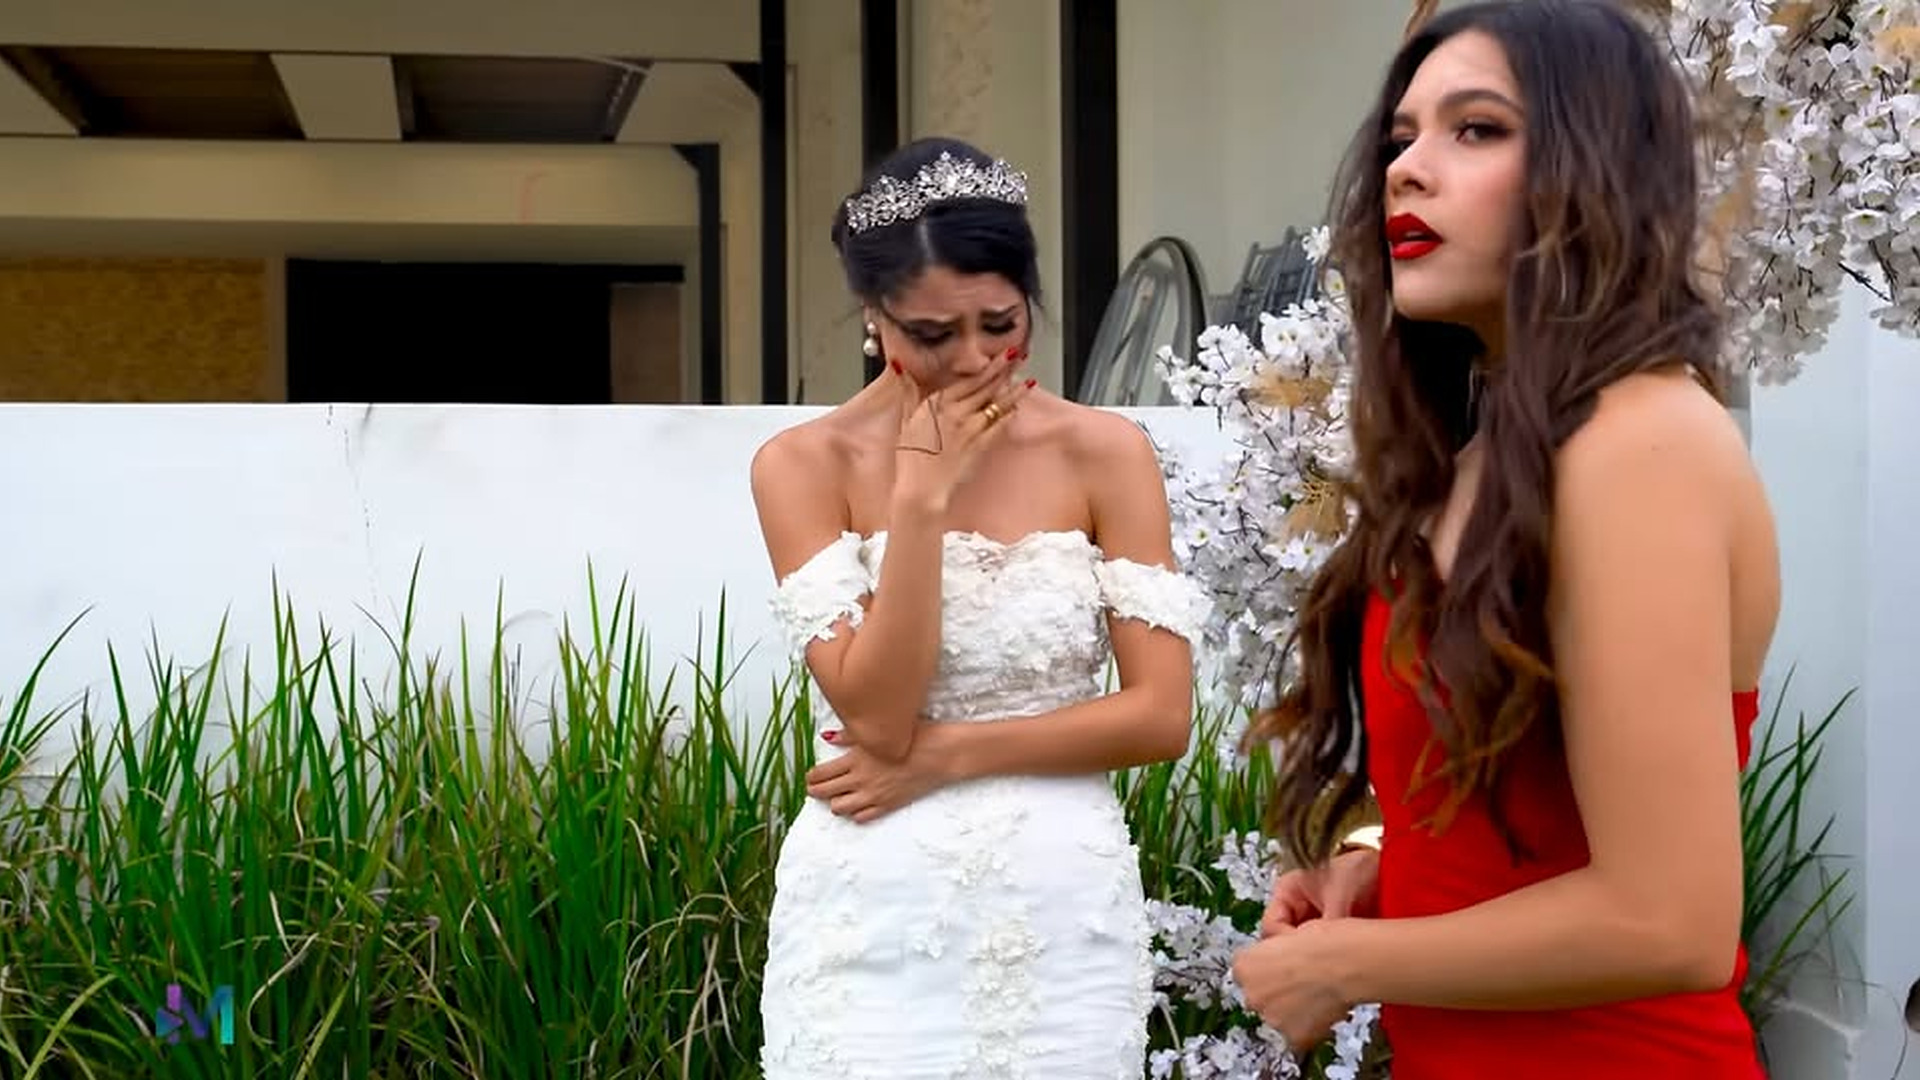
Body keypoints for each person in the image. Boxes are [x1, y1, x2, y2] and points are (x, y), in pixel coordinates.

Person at [1228, 2, 1781, 1077]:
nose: (1406, 169)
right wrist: (1377, 862)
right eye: (1401, 138)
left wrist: (1348, 964)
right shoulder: (1491, 450)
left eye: (1476, 129)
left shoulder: (1640, 444)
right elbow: (1513, 804)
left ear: (1593, 171)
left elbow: (1670, 919)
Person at [750, 136, 1208, 1078]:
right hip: (872, 911)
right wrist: (920, 499)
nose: (973, 359)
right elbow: (878, 718)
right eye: (932, 334)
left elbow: (1162, 716)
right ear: (875, 316)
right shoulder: (802, 466)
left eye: (999, 323)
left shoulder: (1106, 452)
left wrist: (946, 757)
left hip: (1062, 913)